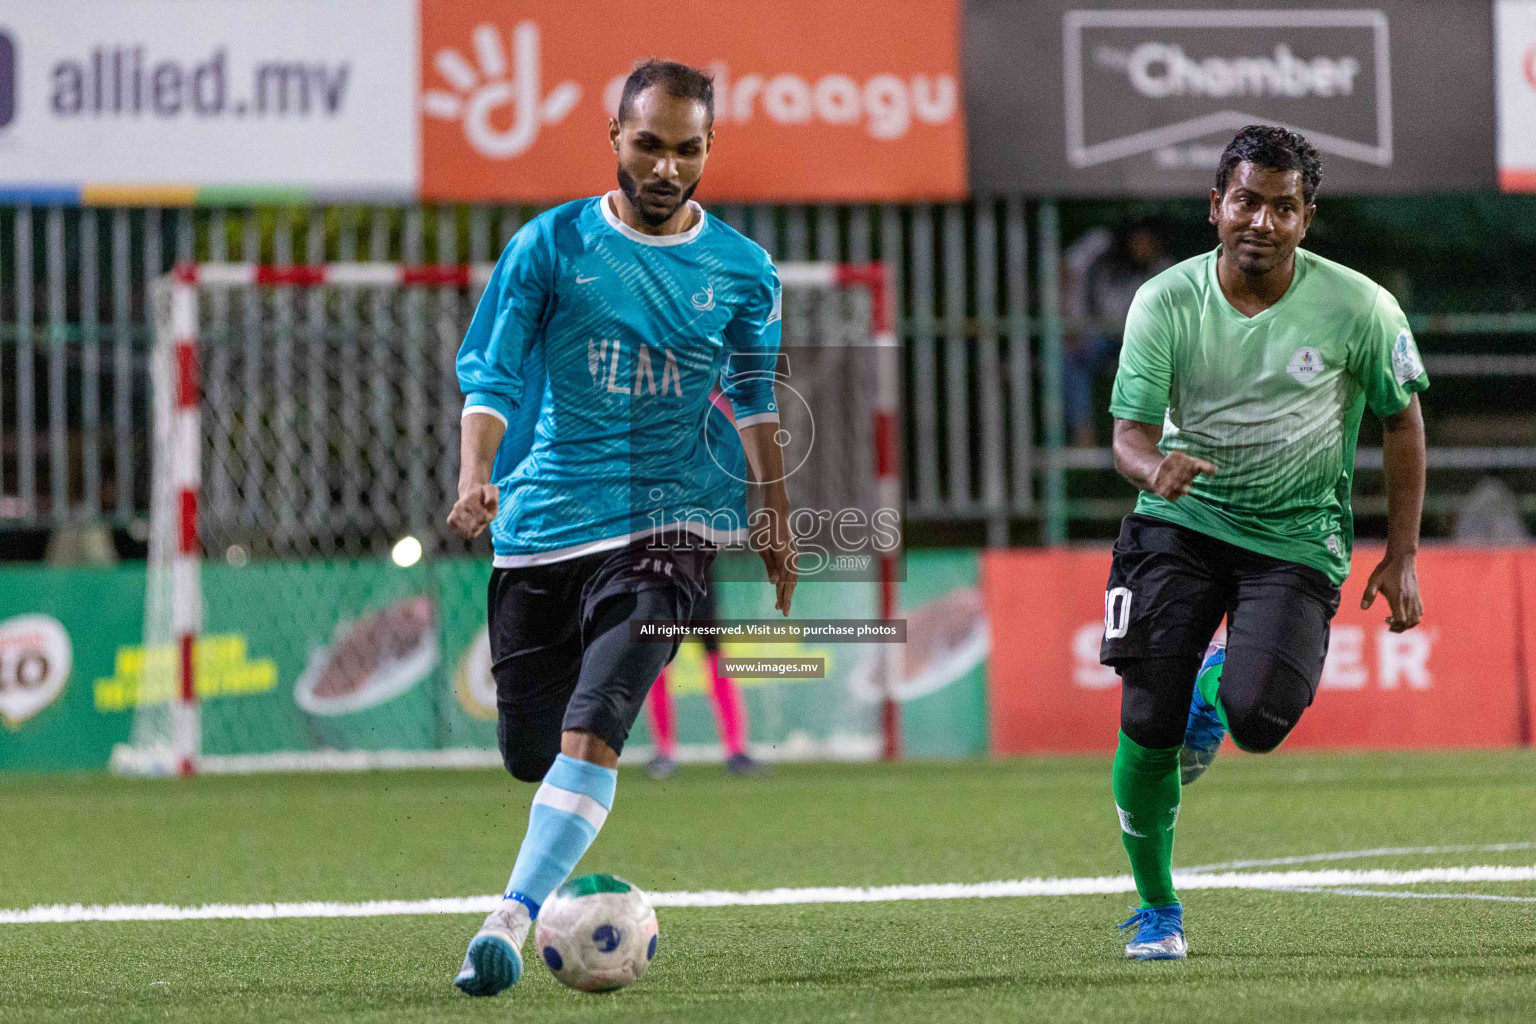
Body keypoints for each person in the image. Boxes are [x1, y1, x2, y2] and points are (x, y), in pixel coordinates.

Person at [445, 59, 797, 997]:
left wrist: (772, 505)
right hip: (543, 529)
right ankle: (540, 858)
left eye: (687, 149)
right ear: (614, 138)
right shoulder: (552, 244)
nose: (667, 167)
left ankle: (508, 921)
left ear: (710, 150)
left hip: (667, 524)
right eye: (649, 144)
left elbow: (754, 395)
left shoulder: (742, 269)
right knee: (534, 751)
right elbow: (492, 372)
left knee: (599, 722)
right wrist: (477, 474)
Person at [1100, 125, 1428, 961]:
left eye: (1284, 208)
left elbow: (1402, 420)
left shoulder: (1360, 307)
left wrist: (1401, 553)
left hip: (1295, 540)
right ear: (1216, 207)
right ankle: (1156, 909)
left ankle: (1220, 696)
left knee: (1260, 718)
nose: (1263, 221)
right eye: (1247, 200)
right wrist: (1155, 468)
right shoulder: (1164, 302)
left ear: (1305, 220)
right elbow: (1128, 437)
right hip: (1178, 525)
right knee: (1145, 718)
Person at [643, 569, 765, 779]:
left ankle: (736, 750)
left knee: (717, 661)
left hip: (700, 582)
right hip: (663, 584)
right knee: (659, 666)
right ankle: (664, 752)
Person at [1063, 218, 1174, 447]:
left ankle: (1154, 434)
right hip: (1097, 336)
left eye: (1151, 243)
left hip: (1137, 343)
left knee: (1170, 361)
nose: (1145, 248)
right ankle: (1083, 432)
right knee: (1068, 356)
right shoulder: (1100, 245)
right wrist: (1070, 320)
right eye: (1141, 240)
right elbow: (1065, 269)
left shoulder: (1163, 267)